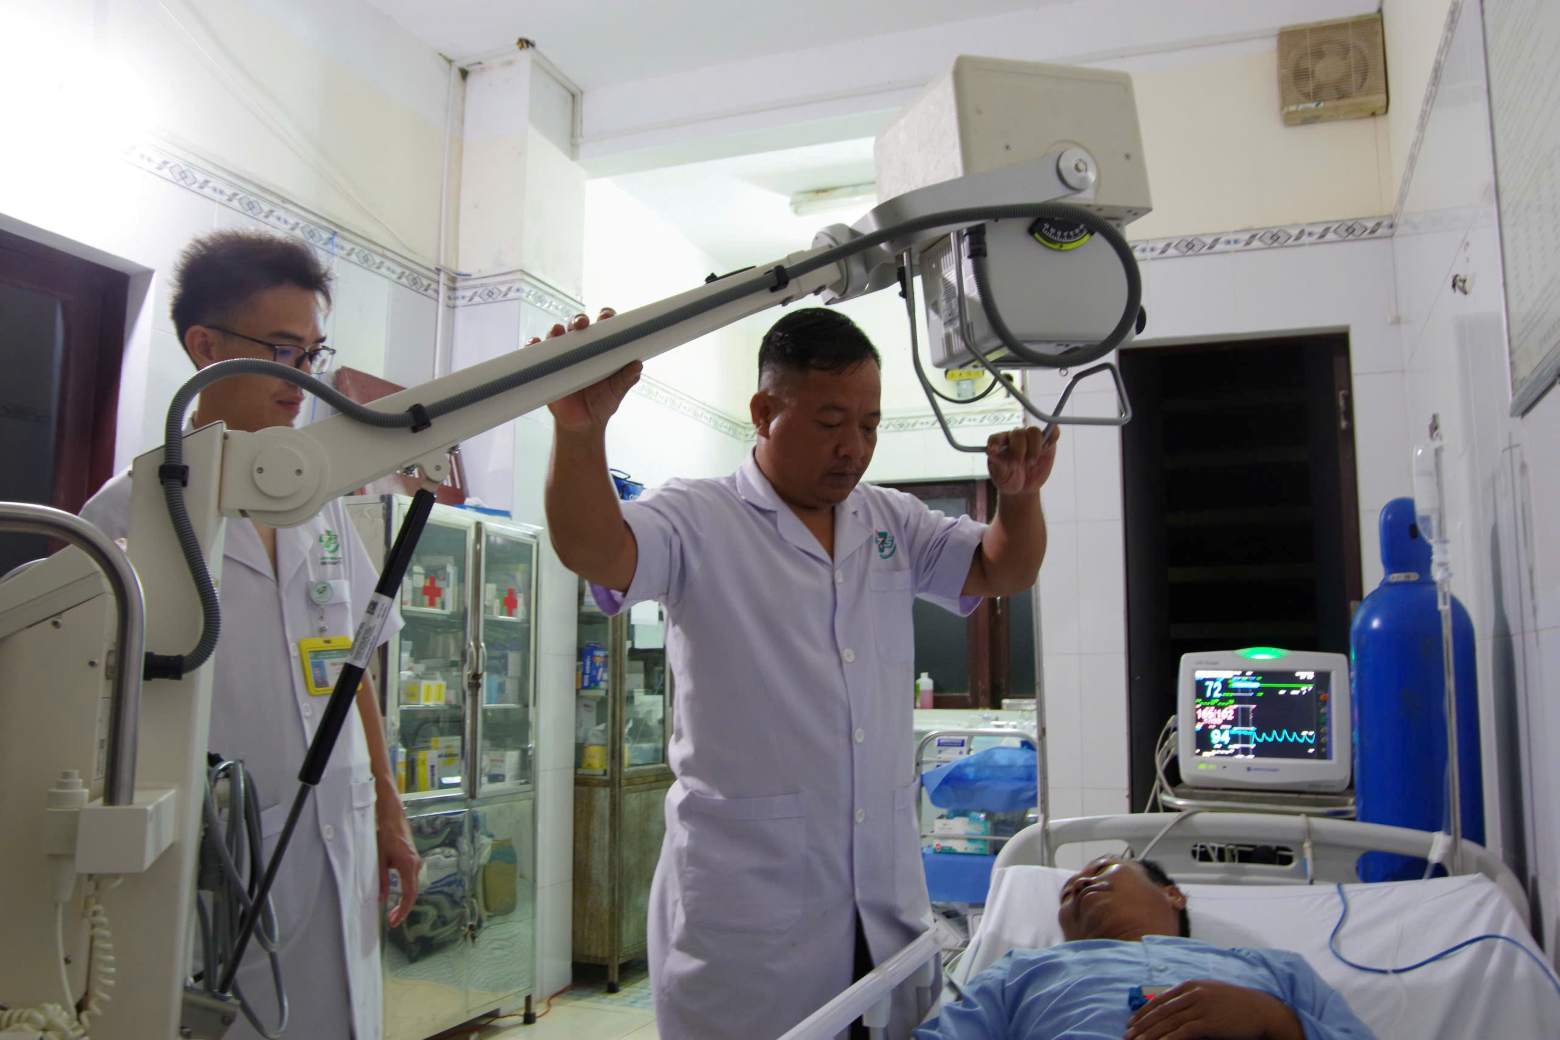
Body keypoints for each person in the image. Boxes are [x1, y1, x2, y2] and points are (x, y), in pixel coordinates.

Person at [543, 306, 1059, 1038]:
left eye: (871, 425)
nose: (854, 448)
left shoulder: (890, 520)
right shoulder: (699, 517)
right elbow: (594, 549)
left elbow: (1003, 567)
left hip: (880, 902)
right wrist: (579, 433)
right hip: (748, 912)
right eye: (829, 422)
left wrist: (1021, 495)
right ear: (763, 411)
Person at [81, 231, 419, 1039]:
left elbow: (352, 668)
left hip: (340, 829)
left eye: (310, 354)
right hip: (212, 857)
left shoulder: (320, 499)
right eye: (280, 350)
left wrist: (389, 810)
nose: (300, 379)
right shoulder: (126, 515)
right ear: (205, 347)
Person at [915, 857, 1376, 1040]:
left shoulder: (1272, 971)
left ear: (1173, 894)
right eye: (1068, 890)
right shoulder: (1022, 971)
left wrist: (1272, 1020)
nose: (1079, 884)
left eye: (1101, 870)